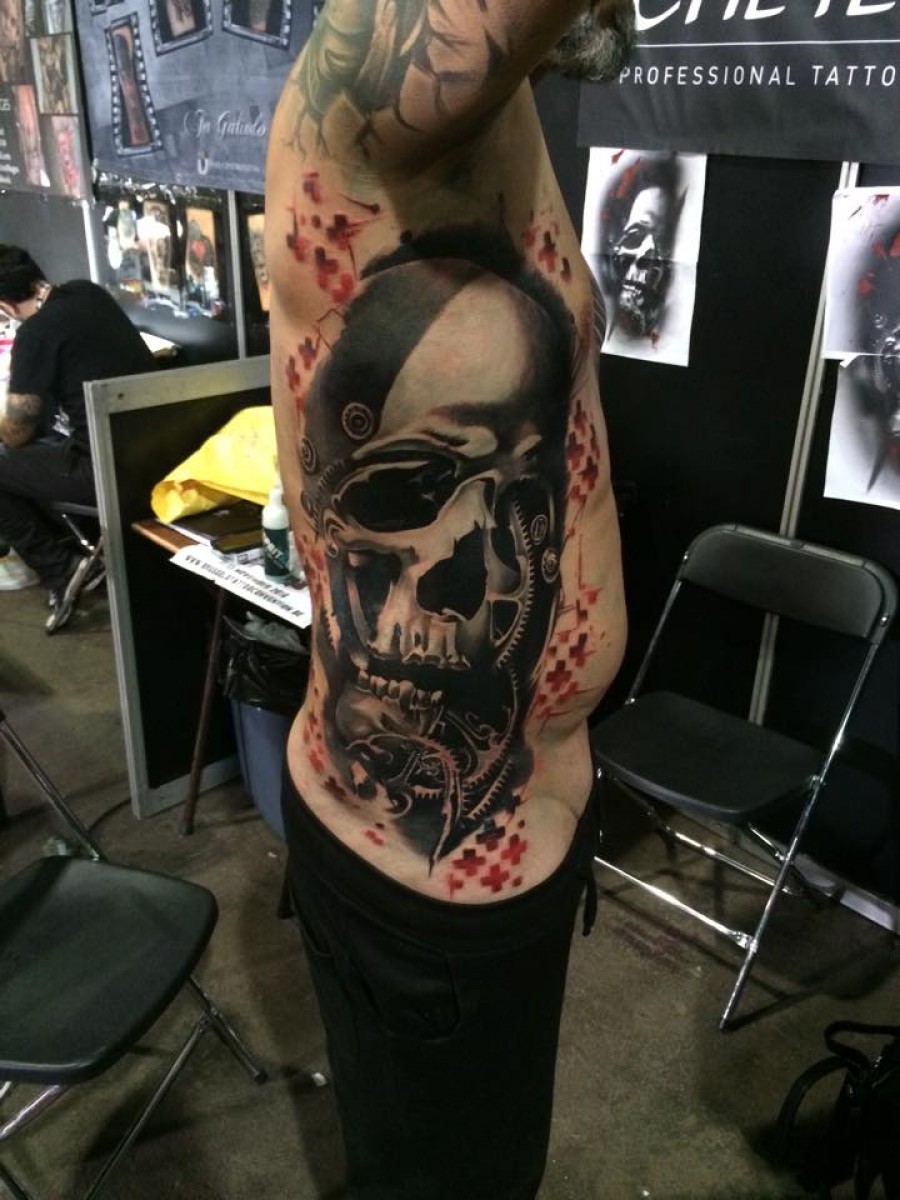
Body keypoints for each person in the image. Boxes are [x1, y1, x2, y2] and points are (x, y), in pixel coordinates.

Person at [265, 3, 633, 1197]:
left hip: (512, 854)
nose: (483, 564)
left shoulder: (488, 124)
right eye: (416, 491)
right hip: (421, 903)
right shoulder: (375, 102)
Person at [0, 245, 156, 631]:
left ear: (4, 306)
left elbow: (16, 434)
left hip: (105, 469)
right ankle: (73, 552)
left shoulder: (35, 334)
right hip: (158, 447)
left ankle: (61, 567)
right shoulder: (89, 293)